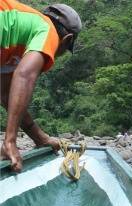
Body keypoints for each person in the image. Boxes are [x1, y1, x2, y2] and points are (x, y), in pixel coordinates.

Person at [0, 0, 82, 172]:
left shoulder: (14, 41)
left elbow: (7, 95)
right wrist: (10, 141)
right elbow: (25, 76)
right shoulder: (48, 31)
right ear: (67, 40)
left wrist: (40, 138)